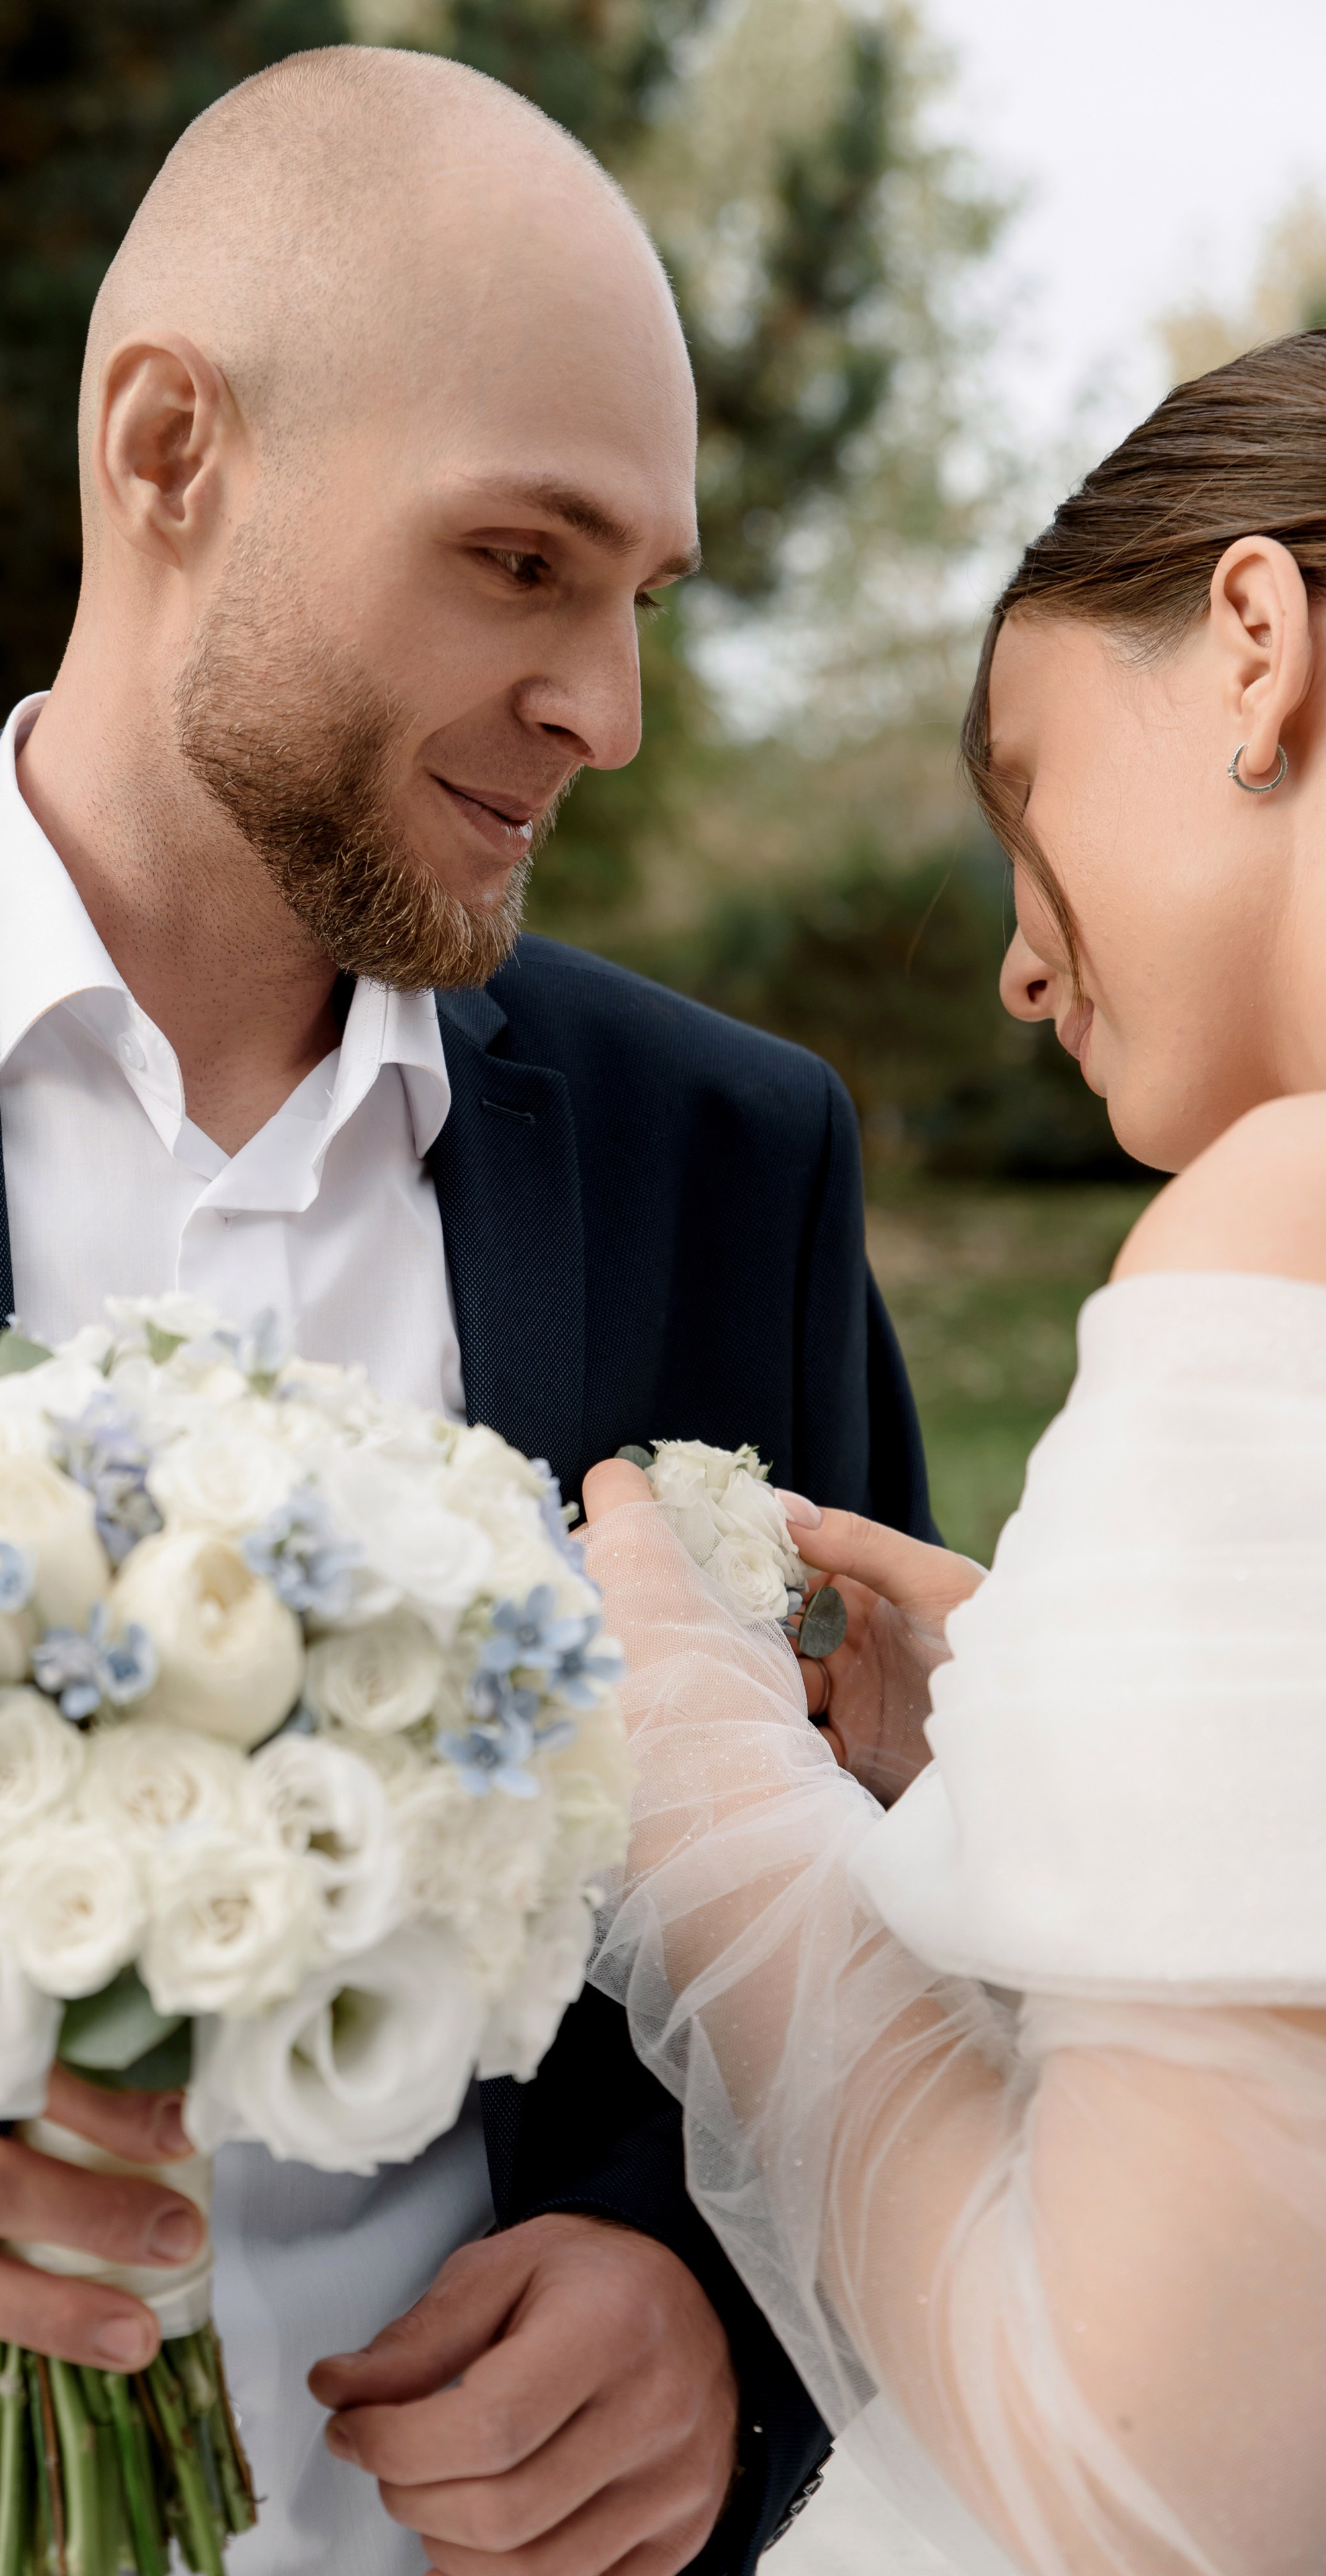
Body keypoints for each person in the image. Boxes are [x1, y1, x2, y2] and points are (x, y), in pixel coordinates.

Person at [0, 48, 934, 2576]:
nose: (609, 710)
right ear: (168, 449)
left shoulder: (730, 1159)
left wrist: (713, 2310)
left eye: (638, 602)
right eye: (520, 561)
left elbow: (884, 1917)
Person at [575, 328, 1326, 2576]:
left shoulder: (1278, 1224)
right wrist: (1057, 1764)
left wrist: (705, 1793)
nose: (1015, 961)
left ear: (1257, 642)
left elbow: (1133, 2478)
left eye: (1026, 782)